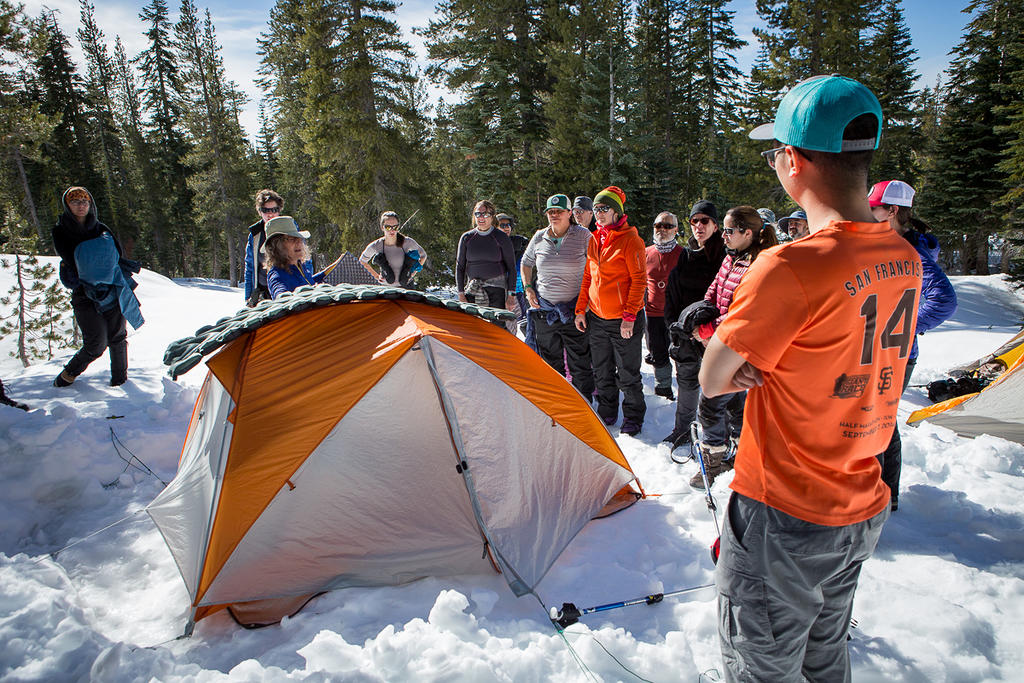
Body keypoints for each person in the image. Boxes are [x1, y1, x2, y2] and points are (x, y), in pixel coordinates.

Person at [700, 75, 922, 682]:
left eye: (774, 150)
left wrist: (745, 357)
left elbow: (715, 376)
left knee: (760, 667)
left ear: (792, 161)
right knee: (825, 657)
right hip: (859, 499)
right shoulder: (902, 256)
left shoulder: (790, 264)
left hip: (784, 510)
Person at [868, 179, 957, 511]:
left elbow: (944, 301)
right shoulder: (892, 244)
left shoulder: (912, 251)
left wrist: (903, 327)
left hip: (896, 355)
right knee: (880, 421)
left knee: (876, 423)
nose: (867, 215)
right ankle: (884, 496)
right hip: (880, 352)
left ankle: (878, 498)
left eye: (872, 209)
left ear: (891, 212)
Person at [689, 206, 778, 489]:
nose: (723, 236)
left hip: (740, 344)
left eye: (729, 231)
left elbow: (745, 310)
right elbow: (714, 291)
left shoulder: (758, 264)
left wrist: (708, 330)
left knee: (710, 402)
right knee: (737, 404)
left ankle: (713, 458)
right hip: (721, 340)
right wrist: (700, 315)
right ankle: (740, 452)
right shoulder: (732, 257)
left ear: (747, 233)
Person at [52, 186, 143, 388]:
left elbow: (117, 254)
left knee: (118, 337)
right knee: (96, 344)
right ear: (68, 205)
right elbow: (70, 258)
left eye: (84, 201)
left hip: (111, 288)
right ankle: (67, 376)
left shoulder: (101, 227)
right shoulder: (61, 231)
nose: (81, 205)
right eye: (75, 201)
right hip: (85, 294)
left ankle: (121, 382)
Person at [574, 186, 647, 436]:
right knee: (602, 370)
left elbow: (639, 281)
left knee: (628, 373)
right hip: (597, 318)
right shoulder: (595, 238)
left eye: (604, 208)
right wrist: (580, 309)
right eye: (596, 209)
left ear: (617, 212)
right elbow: (587, 277)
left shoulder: (631, 240)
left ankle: (634, 417)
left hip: (624, 321)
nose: (599, 213)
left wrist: (629, 317)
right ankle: (607, 411)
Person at [661, 200, 727, 454]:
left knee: (718, 389)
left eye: (705, 221)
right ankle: (682, 431)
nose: (699, 226)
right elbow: (673, 295)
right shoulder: (686, 256)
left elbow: (725, 297)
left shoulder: (725, 256)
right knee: (687, 382)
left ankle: (721, 440)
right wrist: (676, 327)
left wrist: (709, 330)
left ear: (715, 225)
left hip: (714, 334)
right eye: (694, 221)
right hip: (686, 333)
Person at [521, 194, 595, 397]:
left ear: (569, 213)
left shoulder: (583, 236)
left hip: (575, 312)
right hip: (546, 311)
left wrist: (587, 303)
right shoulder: (539, 236)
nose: (554, 215)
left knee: (579, 363)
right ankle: (558, 405)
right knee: (550, 364)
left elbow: (597, 268)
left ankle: (585, 407)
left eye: (559, 211)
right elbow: (526, 262)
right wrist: (528, 288)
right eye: (551, 212)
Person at [455, 200, 517, 323]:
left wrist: (511, 296)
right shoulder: (467, 238)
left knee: (496, 329)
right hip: (473, 290)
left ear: (492, 216)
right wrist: (461, 293)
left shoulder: (500, 237)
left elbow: (511, 268)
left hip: (497, 292)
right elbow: (460, 267)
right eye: (478, 214)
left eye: (485, 214)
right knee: (474, 329)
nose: (481, 217)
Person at [644, 211, 683, 400]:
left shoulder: (684, 255)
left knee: (681, 355)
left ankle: (686, 392)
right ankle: (663, 390)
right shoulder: (645, 253)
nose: (662, 229)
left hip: (676, 316)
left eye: (668, 226)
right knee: (658, 353)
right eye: (658, 225)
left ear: (676, 229)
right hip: (652, 315)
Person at [264, 216, 327, 299]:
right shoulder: (277, 275)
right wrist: (283, 298)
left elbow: (308, 283)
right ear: (277, 246)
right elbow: (281, 296)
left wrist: (330, 270)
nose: (299, 242)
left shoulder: (299, 265)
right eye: (291, 239)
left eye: (299, 238)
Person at [359, 211, 427, 288]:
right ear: (382, 227)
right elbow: (362, 262)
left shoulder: (407, 242)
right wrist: (376, 277)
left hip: (407, 288)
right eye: (388, 227)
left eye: (395, 227)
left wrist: (412, 274)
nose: (392, 230)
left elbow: (423, 255)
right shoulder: (376, 245)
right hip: (385, 289)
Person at [244, 189, 283, 306]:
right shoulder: (255, 235)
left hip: (286, 290)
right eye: (266, 210)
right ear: (260, 211)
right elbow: (250, 266)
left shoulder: (289, 229)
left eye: (274, 210)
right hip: (262, 293)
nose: (270, 214)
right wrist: (248, 296)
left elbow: (304, 260)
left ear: (279, 210)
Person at [497, 213, 530, 335]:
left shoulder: (519, 243)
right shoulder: (491, 246)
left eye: (508, 225)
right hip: (499, 293)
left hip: (518, 291)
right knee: (505, 328)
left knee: (525, 326)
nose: (506, 228)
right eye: (502, 225)